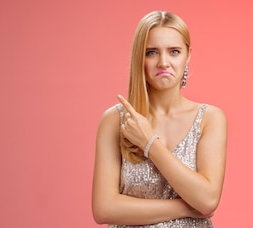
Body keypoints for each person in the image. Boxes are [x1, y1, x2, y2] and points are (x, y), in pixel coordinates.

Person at [92, 10, 227, 227]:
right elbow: (104, 208)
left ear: (188, 55)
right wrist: (186, 207)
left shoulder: (209, 118)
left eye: (174, 51)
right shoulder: (116, 120)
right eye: (152, 52)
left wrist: (149, 144)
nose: (163, 62)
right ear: (139, 57)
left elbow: (207, 199)